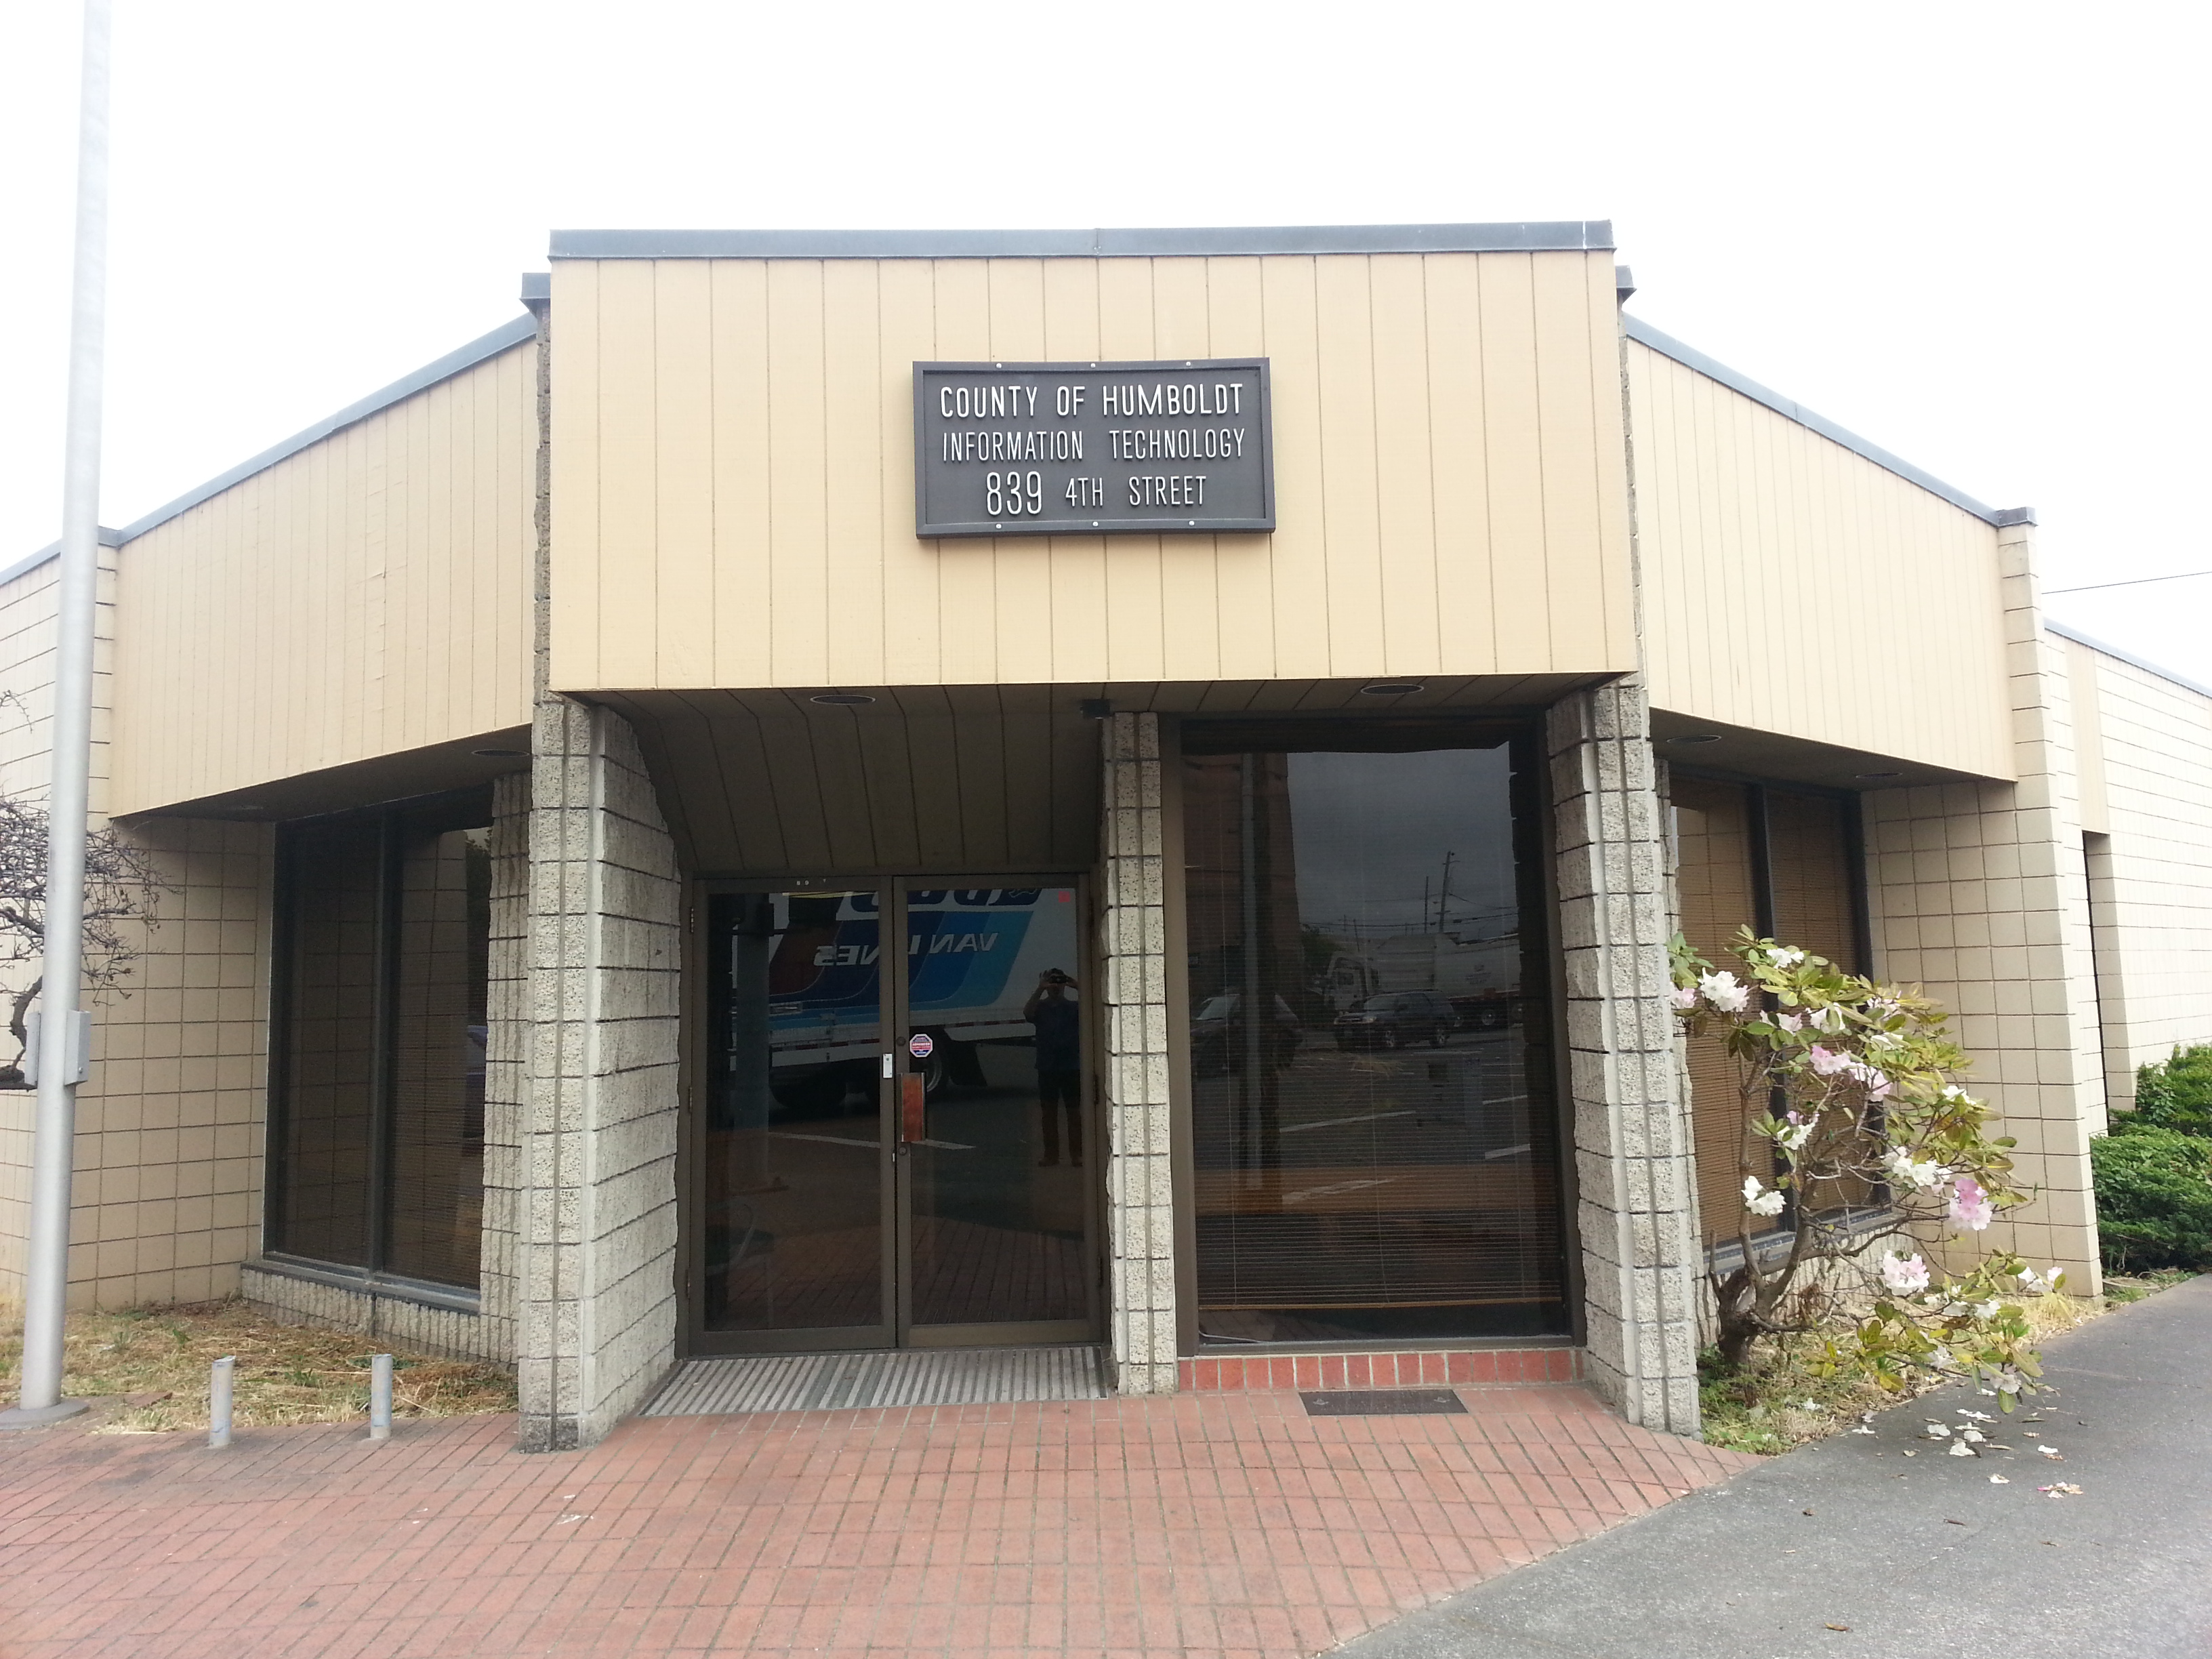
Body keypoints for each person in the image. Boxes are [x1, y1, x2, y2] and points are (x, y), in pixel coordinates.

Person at [1022, 968, 1082, 1166]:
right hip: (1047, 1066)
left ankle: (1077, 1154)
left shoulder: (1073, 1007)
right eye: (1053, 982)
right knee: (1049, 1113)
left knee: (1074, 1113)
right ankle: (1051, 1155)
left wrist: (1079, 987)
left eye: (1059, 982)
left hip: (1071, 1065)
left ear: (1065, 984)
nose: (1056, 986)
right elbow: (1027, 1013)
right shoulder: (1040, 1007)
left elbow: (1094, 1008)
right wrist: (1040, 989)